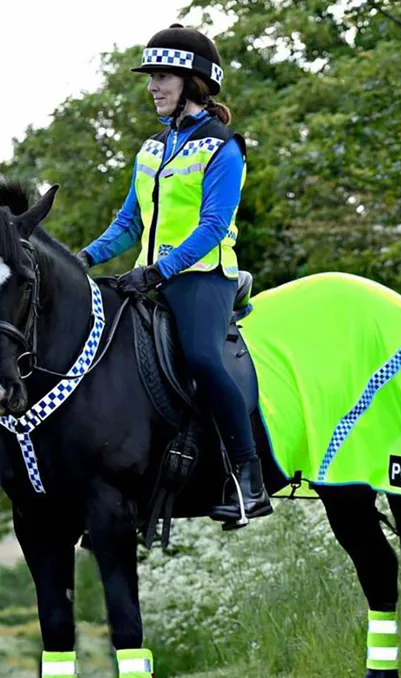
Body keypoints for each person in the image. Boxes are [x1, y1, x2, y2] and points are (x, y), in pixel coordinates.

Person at [78, 24, 272, 525]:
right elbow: (127, 224)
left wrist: (158, 270)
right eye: (151, 77)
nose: (153, 86)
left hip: (203, 279)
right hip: (151, 278)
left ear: (194, 83)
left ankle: (249, 479)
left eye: (163, 76)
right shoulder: (149, 150)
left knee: (205, 359)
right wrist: (85, 259)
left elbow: (213, 226)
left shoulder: (224, 147)